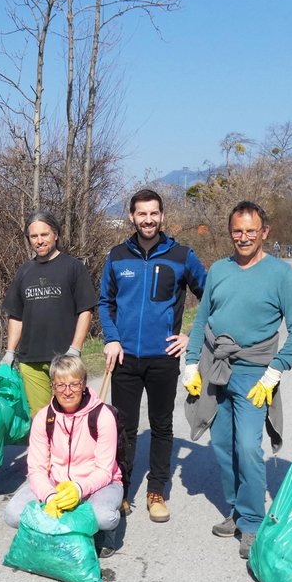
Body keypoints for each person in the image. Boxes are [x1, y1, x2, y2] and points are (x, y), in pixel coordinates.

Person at [183, 201, 292, 559]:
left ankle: (253, 521)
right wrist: (191, 364)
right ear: (230, 232)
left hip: (256, 374)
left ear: (264, 232)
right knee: (222, 444)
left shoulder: (280, 274)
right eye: (238, 230)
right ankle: (236, 510)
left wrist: (276, 369)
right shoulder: (219, 270)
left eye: (252, 230)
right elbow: (202, 319)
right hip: (215, 369)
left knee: (249, 447)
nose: (244, 237)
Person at [98, 188, 206, 523]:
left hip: (163, 358)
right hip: (125, 358)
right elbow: (105, 303)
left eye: (154, 213)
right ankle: (123, 488)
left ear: (162, 215)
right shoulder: (117, 256)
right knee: (124, 427)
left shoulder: (181, 256)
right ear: (132, 216)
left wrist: (191, 336)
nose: (148, 219)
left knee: (161, 425)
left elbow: (212, 298)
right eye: (142, 214)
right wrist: (112, 339)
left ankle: (156, 490)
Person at [3, 354, 123, 557]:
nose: (68, 392)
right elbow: (37, 468)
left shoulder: (103, 416)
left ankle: (104, 532)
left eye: (74, 384)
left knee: (104, 517)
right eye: (60, 385)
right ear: (52, 386)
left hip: (99, 484)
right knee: (12, 514)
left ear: (84, 384)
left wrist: (78, 489)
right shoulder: (44, 418)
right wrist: (49, 496)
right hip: (56, 483)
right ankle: (68, 528)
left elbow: (104, 470)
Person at [0, 210, 97, 416]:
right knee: (41, 419)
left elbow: (85, 311)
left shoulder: (73, 267)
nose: (39, 241)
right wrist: (10, 352)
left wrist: (75, 349)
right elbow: (16, 316)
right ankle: (45, 450)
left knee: (69, 415)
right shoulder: (24, 272)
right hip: (30, 360)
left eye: (44, 235)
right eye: (34, 236)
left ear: (55, 234)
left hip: (65, 358)